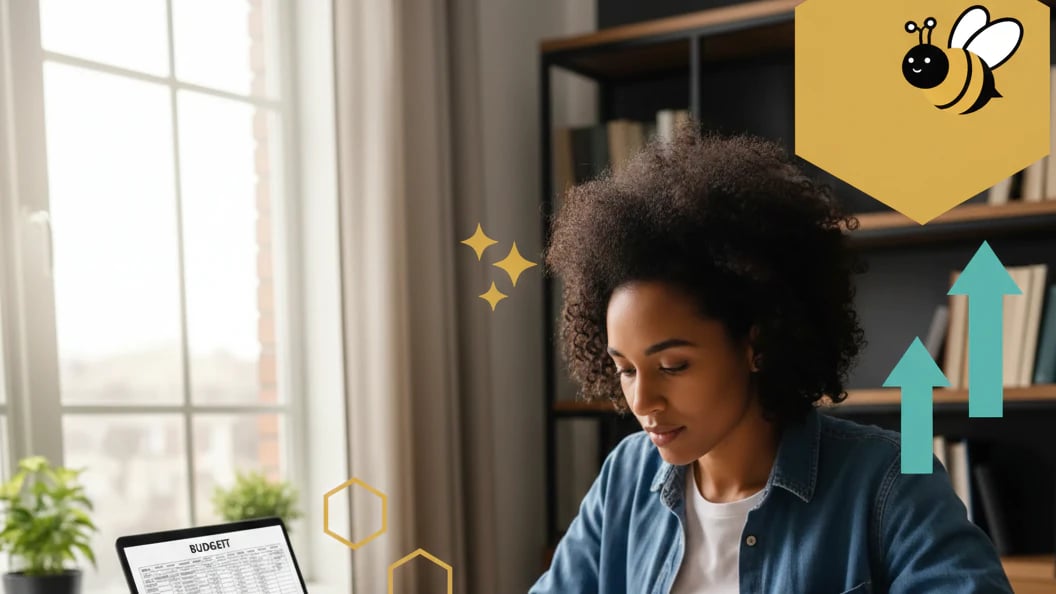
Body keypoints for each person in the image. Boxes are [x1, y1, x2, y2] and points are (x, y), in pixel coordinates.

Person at [530, 124, 1012, 593]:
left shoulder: (887, 483)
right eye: (626, 370)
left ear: (756, 345)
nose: (642, 401)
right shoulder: (626, 478)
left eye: (673, 366)